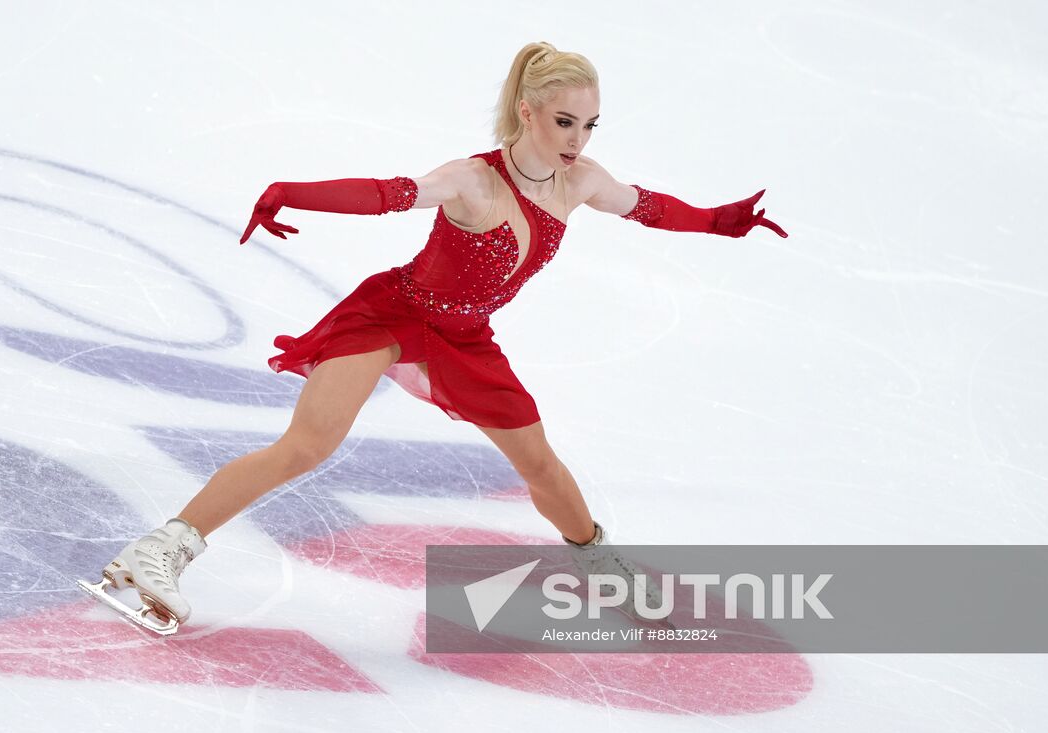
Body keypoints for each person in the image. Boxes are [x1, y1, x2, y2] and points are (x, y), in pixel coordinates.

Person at [77, 41, 788, 634]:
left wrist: (718, 219)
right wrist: (290, 189)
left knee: (539, 462)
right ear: (526, 110)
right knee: (308, 444)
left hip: (465, 336)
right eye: (565, 121)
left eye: (590, 126)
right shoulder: (472, 181)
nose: (577, 141)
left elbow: (652, 208)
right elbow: (385, 193)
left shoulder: (581, 183)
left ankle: (599, 563)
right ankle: (158, 549)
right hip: (393, 314)